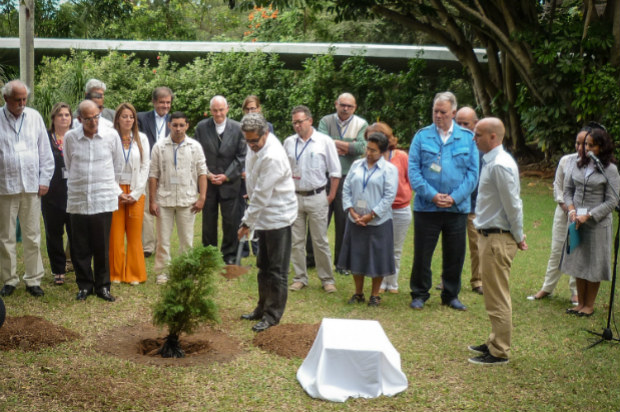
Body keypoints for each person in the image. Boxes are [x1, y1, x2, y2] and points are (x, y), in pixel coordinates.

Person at [408, 91, 478, 311]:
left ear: (454, 113)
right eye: (435, 111)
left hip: (456, 208)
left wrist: (455, 197)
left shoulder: (467, 138)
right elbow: (414, 172)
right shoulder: (422, 136)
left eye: (442, 112)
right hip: (427, 208)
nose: (438, 115)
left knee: (455, 255)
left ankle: (450, 295)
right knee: (422, 254)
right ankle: (420, 293)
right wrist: (432, 195)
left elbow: (473, 174)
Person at [469, 117, 527, 366]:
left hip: (497, 237)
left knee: (497, 296)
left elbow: (513, 204)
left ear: (493, 137)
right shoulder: (491, 161)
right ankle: (494, 340)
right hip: (489, 235)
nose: (474, 138)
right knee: (492, 294)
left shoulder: (500, 165)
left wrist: (519, 234)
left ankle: (499, 350)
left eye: (478, 134)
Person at [238, 113, 297, 332]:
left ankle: (272, 316)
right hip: (262, 215)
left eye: (255, 140)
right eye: (248, 140)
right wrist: (251, 216)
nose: (252, 145)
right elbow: (253, 179)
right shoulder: (254, 146)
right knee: (262, 266)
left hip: (278, 216)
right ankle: (261, 308)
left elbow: (263, 194)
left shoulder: (273, 155)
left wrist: (246, 222)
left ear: (267, 133)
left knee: (277, 270)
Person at [64, 100, 124, 302]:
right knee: (79, 246)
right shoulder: (71, 137)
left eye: (96, 117)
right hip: (79, 197)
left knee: (101, 246)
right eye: (88, 119)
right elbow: (69, 164)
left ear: (100, 113)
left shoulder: (111, 135)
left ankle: (103, 287)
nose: (93, 122)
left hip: (102, 198)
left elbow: (118, 166)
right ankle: (84, 286)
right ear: (79, 119)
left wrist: (108, 186)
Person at [0, 80, 54, 298]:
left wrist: (45, 180)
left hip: (31, 185)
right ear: (6, 99)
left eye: (24, 99)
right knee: (6, 237)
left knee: (33, 235)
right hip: (4, 186)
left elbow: (45, 152)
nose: (22, 103)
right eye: (17, 100)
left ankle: (33, 279)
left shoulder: (34, 117)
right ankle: (9, 279)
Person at [561, 126, 620, 317]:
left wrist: (590, 215)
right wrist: (571, 210)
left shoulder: (610, 169)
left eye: (591, 145)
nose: (585, 149)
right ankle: (580, 303)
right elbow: (568, 190)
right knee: (578, 261)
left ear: (601, 147)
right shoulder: (577, 164)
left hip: (597, 223)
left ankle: (589, 305)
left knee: (594, 263)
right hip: (577, 221)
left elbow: (612, 200)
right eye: (585, 144)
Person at [284, 105, 340, 293]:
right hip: (295, 197)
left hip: (317, 196)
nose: (297, 126)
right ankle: (300, 277)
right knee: (296, 240)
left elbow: (335, 171)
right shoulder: (289, 143)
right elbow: (284, 171)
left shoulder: (324, 141)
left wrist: (330, 196)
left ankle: (327, 279)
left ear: (310, 120)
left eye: (300, 121)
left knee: (320, 240)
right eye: (294, 123)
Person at [337, 132, 398, 307]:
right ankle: (358, 293)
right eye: (367, 148)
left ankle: (375, 295)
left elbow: (388, 197)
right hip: (355, 218)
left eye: (373, 150)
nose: (369, 153)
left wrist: (371, 215)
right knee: (356, 254)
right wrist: (352, 211)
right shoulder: (357, 165)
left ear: (382, 152)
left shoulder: (389, 170)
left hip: (378, 221)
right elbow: (346, 187)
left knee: (377, 257)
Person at [527, 128, 586, 304]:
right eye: (578, 143)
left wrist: (579, 213)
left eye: (585, 143)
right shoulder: (566, 161)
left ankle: (576, 292)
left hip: (583, 216)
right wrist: (566, 207)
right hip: (563, 212)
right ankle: (547, 288)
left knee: (576, 250)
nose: (580, 147)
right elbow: (558, 186)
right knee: (557, 249)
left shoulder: (595, 166)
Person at [149, 111, 208, 285]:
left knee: (187, 240)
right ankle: (163, 272)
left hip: (187, 200)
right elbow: (153, 175)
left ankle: (186, 270)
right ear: (169, 125)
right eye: (175, 125)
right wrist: (152, 201)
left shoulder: (195, 146)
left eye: (182, 125)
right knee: (163, 240)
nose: (178, 129)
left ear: (187, 126)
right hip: (164, 200)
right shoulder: (159, 147)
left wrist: (202, 197)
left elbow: (202, 172)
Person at [318, 93, 367, 271]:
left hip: (349, 177)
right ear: (336, 104)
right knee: (319, 218)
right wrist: (348, 145)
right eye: (343, 105)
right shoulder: (326, 121)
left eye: (350, 106)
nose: (345, 108)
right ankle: (312, 258)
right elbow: (321, 143)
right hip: (325, 175)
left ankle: (341, 262)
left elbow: (362, 147)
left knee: (343, 220)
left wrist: (334, 144)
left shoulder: (361, 124)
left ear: (355, 108)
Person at [195, 95, 246, 264]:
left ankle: (229, 255)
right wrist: (207, 174)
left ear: (227, 109)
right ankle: (209, 255)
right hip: (208, 182)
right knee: (208, 221)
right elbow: (197, 154)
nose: (218, 113)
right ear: (210, 111)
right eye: (215, 110)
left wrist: (227, 175)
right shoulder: (201, 128)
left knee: (231, 221)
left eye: (221, 110)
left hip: (230, 183)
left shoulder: (238, 128)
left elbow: (241, 156)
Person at [364, 123, 412, 294]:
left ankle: (393, 282)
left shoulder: (401, 156)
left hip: (400, 209)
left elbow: (409, 179)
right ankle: (381, 281)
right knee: (380, 246)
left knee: (395, 248)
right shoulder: (369, 159)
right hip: (378, 209)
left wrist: (403, 195)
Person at [109, 103, 150, 285]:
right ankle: (115, 273)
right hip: (115, 192)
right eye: (124, 116)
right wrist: (118, 192)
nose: (128, 120)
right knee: (115, 235)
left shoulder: (142, 138)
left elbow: (145, 167)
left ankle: (134, 274)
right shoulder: (110, 138)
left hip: (135, 192)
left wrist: (135, 193)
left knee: (134, 235)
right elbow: (106, 167)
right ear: (118, 118)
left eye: (131, 117)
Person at [138, 86, 173, 258]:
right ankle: (148, 245)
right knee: (146, 207)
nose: (165, 106)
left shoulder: (175, 120)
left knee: (164, 206)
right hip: (147, 169)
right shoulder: (141, 118)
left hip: (167, 170)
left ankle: (163, 243)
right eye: (161, 102)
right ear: (154, 102)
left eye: (168, 103)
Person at [41, 102, 73, 286]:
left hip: (74, 193)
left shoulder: (76, 137)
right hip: (52, 193)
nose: (63, 118)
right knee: (54, 233)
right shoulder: (46, 138)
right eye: (60, 115)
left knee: (75, 233)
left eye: (67, 115)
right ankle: (58, 270)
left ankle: (77, 265)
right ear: (53, 118)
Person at [456, 106, 484, 295]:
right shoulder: (452, 142)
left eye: (465, 123)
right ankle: (448, 279)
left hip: (475, 206)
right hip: (455, 204)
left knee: (477, 245)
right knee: (454, 244)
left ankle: (478, 281)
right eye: (458, 123)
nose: (461, 127)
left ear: (475, 124)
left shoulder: (482, 146)